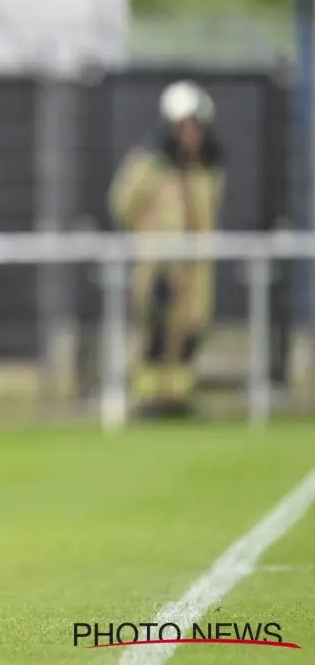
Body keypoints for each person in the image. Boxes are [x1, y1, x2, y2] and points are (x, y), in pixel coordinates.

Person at [108, 79, 224, 419]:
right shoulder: (149, 165)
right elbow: (123, 205)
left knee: (189, 331)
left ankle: (178, 397)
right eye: (184, 126)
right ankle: (148, 398)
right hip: (158, 263)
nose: (190, 133)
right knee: (155, 332)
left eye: (195, 126)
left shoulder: (207, 169)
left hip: (195, 268)